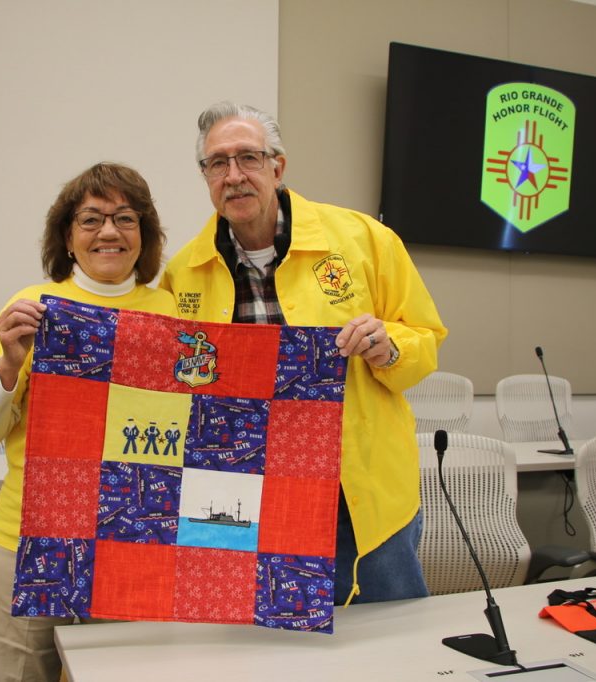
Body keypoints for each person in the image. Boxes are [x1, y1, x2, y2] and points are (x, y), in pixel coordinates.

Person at [160, 101, 447, 605]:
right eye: (217, 163)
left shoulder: (364, 241)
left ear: (277, 165)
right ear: (205, 176)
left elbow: (425, 336)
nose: (233, 176)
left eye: (248, 158)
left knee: (385, 640)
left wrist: (389, 347)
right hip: (241, 496)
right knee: (263, 650)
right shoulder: (184, 271)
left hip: (353, 493)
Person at [0, 162, 176, 682]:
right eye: (91, 219)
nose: (109, 231)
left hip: (133, 546)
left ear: (143, 235)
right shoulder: (32, 308)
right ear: (67, 236)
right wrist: (10, 363)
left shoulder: (172, 314)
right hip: (27, 541)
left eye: (126, 218)